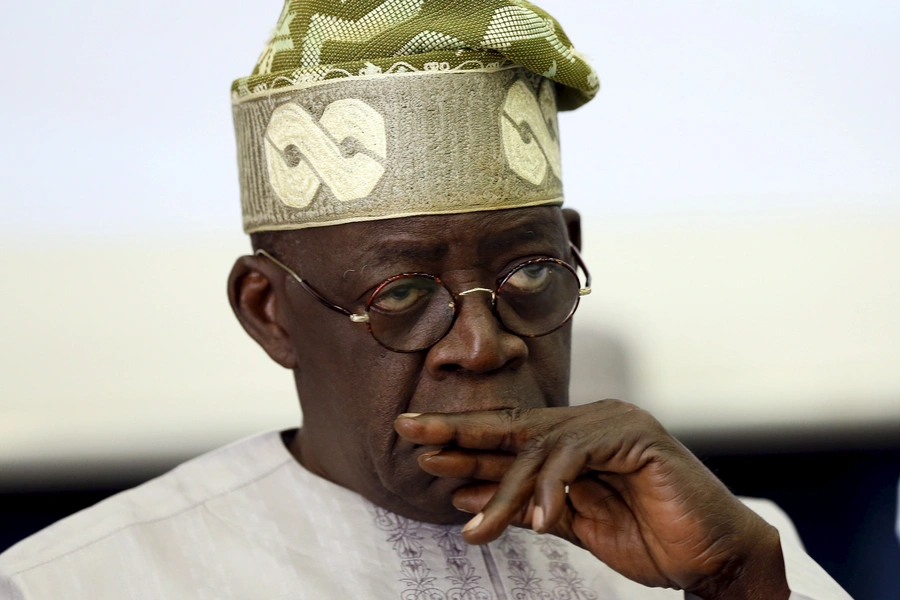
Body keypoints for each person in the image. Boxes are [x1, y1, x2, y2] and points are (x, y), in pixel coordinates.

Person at [0, 1, 852, 598]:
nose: (484, 345)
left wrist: (739, 589)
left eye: (528, 276)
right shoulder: (78, 582)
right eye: (402, 292)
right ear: (268, 310)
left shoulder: (733, 545)